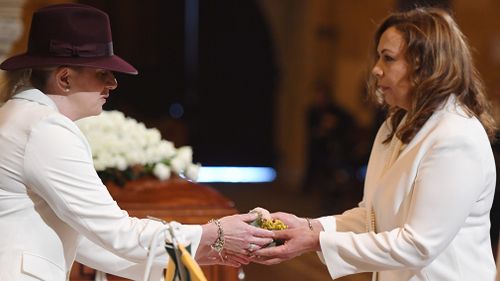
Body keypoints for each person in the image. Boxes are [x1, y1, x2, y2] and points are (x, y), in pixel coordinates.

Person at [0, 3, 274, 280]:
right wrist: (212, 233)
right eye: (101, 73)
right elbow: (115, 230)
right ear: (65, 78)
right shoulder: (46, 128)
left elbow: (86, 240)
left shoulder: (20, 115)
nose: (113, 83)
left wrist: (197, 251)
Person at [252, 7, 497, 281]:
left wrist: (315, 242)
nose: (376, 69)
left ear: (425, 66)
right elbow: (372, 218)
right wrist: (310, 227)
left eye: (388, 58)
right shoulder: (395, 125)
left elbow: (418, 245)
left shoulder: (456, 137)